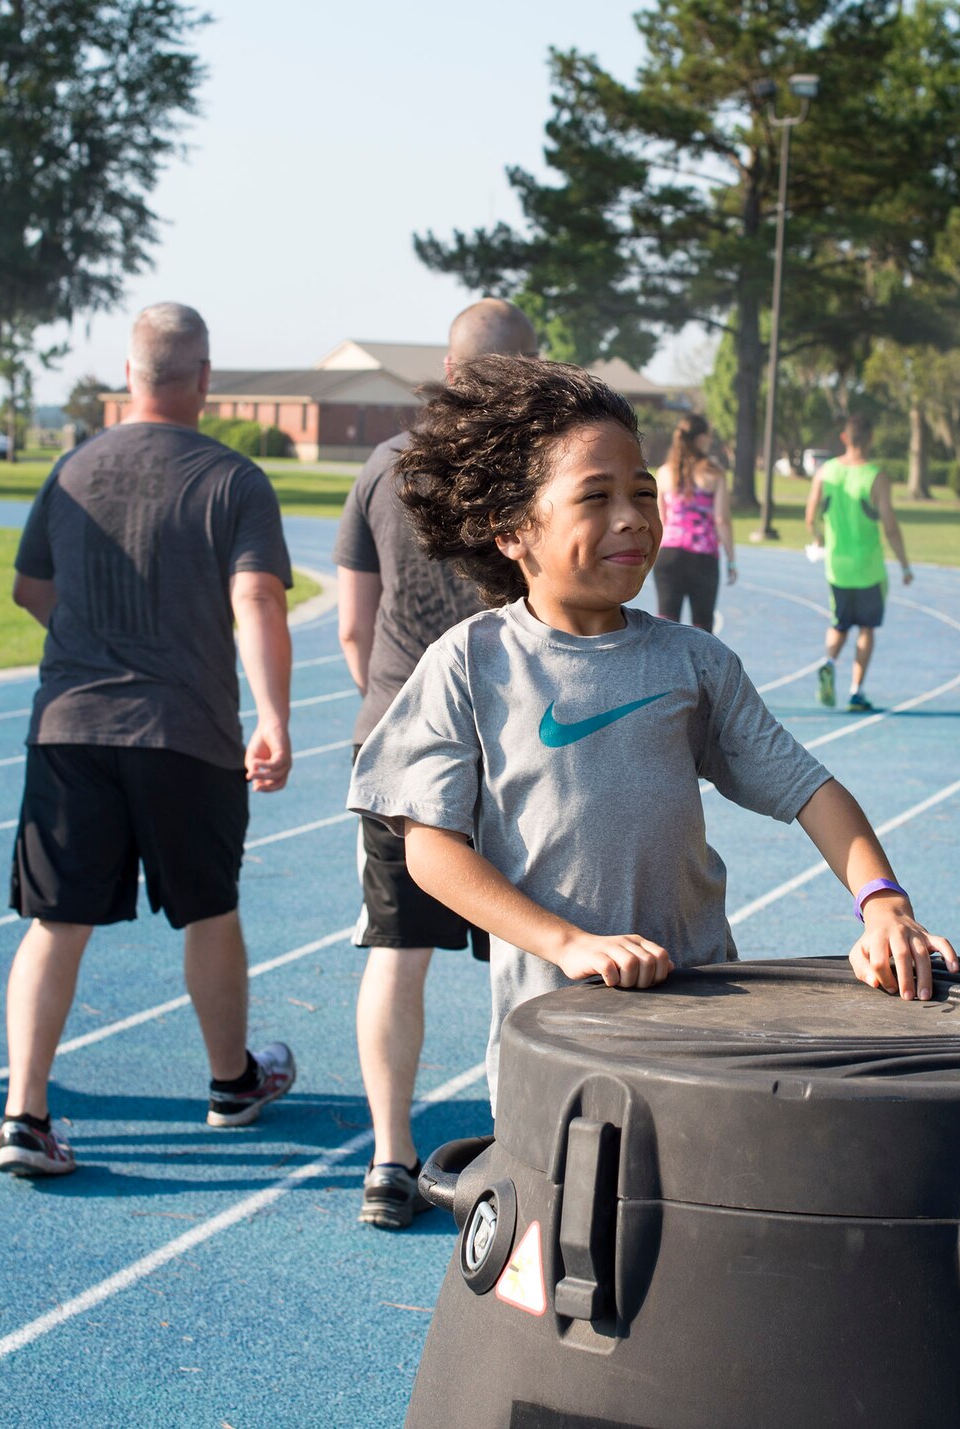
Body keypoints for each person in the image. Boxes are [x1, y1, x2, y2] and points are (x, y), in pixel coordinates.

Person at [348, 357, 958, 1109]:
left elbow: (809, 789)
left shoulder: (693, 662)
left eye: (642, 492)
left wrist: (883, 902)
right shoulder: (469, 664)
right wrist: (570, 943)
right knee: (554, 1222)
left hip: (699, 1021)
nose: (633, 516)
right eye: (595, 497)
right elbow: (430, 850)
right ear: (513, 531)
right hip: (555, 1031)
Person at [0, 303, 297, 1178]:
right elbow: (258, 600)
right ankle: (231, 1081)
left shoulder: (71, 466)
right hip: (185, 729)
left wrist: (93, 635)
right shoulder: (233, 479)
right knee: (208, 907)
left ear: (126, 376)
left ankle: (24, 1112)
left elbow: (26, 588)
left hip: (70, 728)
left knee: (57, 920)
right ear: (204, 378)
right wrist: (273, 715)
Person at [334, 297, 535, 1229]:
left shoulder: (381, 467)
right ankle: (525, 1148)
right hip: (515, 736)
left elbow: (351, 622)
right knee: (527, 955)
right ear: (526, 372)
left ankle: (388, 1159)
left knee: (396, 954)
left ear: (449, 371)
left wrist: (396, 703)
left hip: (399, 734)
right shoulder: (536, 471)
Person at [805, 413, 911, 713]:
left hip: (837, 567)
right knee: (866, 628)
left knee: (839, 623)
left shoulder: (825, 472)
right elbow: (890, 526)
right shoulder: (875, 475)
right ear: (871, 439)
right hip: (868, 568)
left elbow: (810, 516)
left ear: (844, 438)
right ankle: (856, 691)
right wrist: (904, 565)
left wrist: (818, 539)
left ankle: (828, 662)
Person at [652, 412, 735, 627]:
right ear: (701, 439)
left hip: (669, 557)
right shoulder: (714, 473)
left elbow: (662, 519)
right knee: (702, 629)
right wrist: (731, 560)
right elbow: (721, 520)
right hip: (703, 557)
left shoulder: (663, 473)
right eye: (709, 436)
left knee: (666, 629)